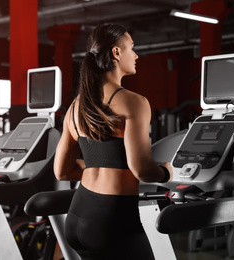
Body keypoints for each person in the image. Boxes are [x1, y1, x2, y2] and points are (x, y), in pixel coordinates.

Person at [53, 23, 173, 260]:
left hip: (77, 218)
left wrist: (102, 169)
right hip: (112, 221)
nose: (136, 55)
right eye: (132, 48)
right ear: (116, 53)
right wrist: (167, 172)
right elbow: (142, 171)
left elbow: (62, 171)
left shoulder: (76, 106)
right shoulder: (134, 102)